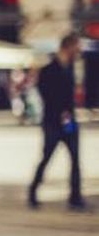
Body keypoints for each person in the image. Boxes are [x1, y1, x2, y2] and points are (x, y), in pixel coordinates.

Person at [28, 32, 87, 211]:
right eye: (77, 46)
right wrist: (59, 112)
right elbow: (45, 94)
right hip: (53, 122)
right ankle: (33, 191)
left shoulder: (70, 68)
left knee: (75, 159)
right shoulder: (48, 69)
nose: (79, 50)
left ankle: (75, 198)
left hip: (69, 122)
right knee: (46, 158)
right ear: (67, 47)